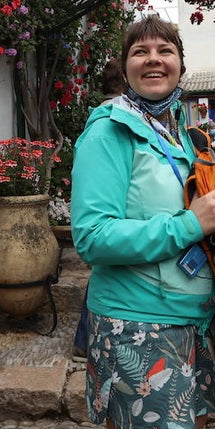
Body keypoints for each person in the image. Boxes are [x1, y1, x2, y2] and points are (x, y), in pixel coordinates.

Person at [71, 16, 215, 429]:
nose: (153, 58)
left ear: (181, 64)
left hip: (200, 324)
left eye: (164, 49)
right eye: (140, 51)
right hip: (140, 329)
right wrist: (189, 224)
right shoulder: (109, 133)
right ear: (125, 68)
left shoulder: (183, 134)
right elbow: (92, 236)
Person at [71, 56, 126, 362]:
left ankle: (82, 341)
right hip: (116, 214)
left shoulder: (102, 112)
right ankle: (83, 340)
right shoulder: (115, 116)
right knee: (105, 269)